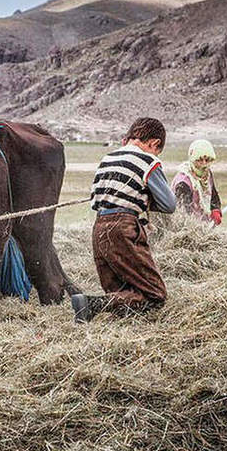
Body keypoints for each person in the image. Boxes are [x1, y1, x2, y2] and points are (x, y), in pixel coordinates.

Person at [71, 117, 177, 323]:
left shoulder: (107, 159)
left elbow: (95, 199)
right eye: (157, 150)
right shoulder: (149, 161)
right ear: (154, 143)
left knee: (122, 292)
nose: (156, 154)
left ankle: (90, 309)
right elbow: (169, 204)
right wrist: (145, 200)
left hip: (99, 228)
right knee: (155, 294)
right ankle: (92, 304)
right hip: (124, 228)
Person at [171, 139, 222, 225]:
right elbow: (183, 215)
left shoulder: (207, 174)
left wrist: (215, 210)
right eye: (199, 160)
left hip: (204, 224)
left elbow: (213, 195)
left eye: (207, 160)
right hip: (189, 229)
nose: (204, 164)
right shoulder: (183, 183)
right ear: (192, 159)